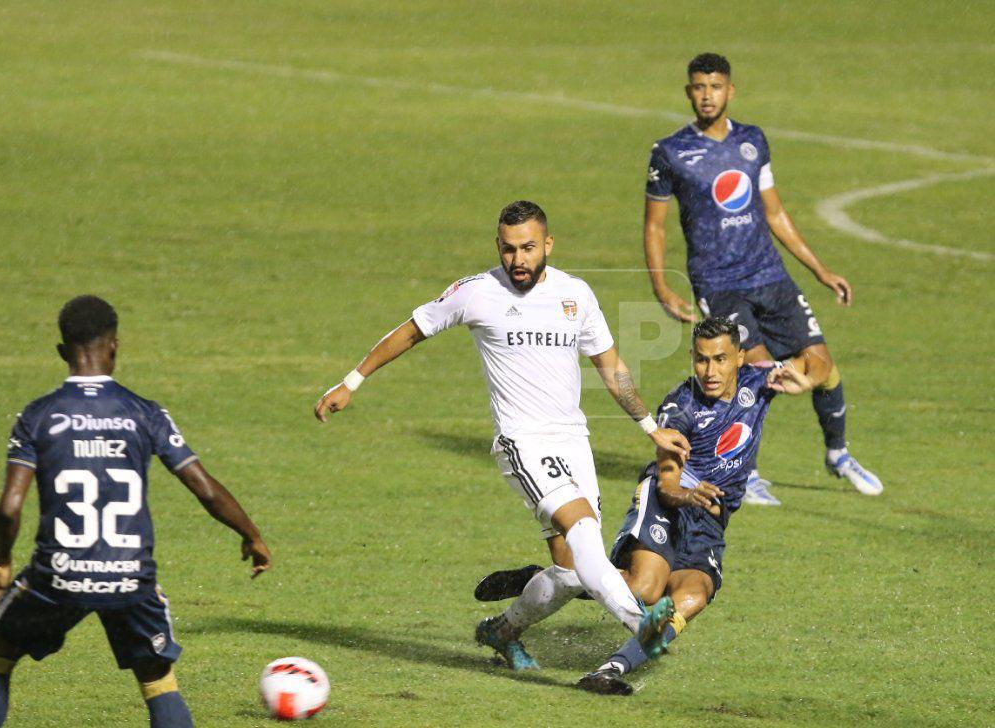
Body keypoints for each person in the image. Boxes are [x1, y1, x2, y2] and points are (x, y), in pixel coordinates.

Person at [314, 200, 688, 670]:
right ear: (498, 246)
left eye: (528, 248)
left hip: (573, 441)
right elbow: (411, 331)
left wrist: (651, 427)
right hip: (522, 442)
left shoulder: (576, 295)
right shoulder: (476, 292)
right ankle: (642, 626)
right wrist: (351, 382)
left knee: (572, 572)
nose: (518, 259)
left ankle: (502, 630)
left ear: (548, 244)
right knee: (585, 534)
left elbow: (611, 368)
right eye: (509, 249)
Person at [0, 295, 271, 728]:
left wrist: (1, 560)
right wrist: (251, 534)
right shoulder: (145, 413)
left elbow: (10, 507)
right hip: (130, 577)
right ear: (115, 347)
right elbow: (204, 488)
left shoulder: (38, 416)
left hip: (59, 576)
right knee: (158, 681)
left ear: (62, 351)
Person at [477, 317, 817, 695]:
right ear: (692, 357)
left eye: (720, 359)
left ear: (740, 358)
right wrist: (689, 495)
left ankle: (608, 669)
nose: (710, 371)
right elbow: (669, 486)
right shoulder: (680, 407)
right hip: (667, 504)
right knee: (644, 591)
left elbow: (816, 360)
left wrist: (807, 380)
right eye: (701, 359)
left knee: (694, 595)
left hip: (710, 522)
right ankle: (560, 579)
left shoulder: (759, 381)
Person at [643, 52, 882, 504]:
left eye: (715, 86)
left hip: (769, 273)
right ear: (689, 92)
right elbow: (654, 226)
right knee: (753, 369)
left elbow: (775, 213)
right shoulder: (670, 152)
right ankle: (743, 472)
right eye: (699, 87)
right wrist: (661, 287)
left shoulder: (753, 141)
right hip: (718, 282)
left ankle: (838, 454)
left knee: (821, 365)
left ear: (730, 91)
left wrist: (820, 269)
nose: (707, 95)